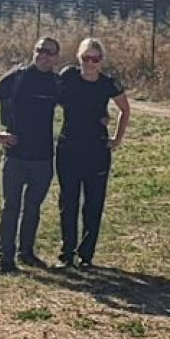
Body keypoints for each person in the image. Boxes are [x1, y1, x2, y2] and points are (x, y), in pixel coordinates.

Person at [0, 36, 66, 273]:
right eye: (40, 50)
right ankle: (5, 259)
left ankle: (26, 253)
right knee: (11, 207)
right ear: (33, 51)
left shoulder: (56, 83)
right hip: (16, 156)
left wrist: (101, 117)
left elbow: (78, 106)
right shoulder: (17, 77)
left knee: (33, 207)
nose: (44, 55)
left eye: (50, 52)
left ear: (56, 58)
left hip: (43, 157)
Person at [53, 37, 130, 269]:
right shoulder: (68, 76)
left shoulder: (108, 83)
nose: (90, 63)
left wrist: (116, 138)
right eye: (86, 57)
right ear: (79, 57)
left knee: (94, 203)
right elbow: (51, 98)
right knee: (68, 201)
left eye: (95, 59)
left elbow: (125, 109)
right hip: (68, 147)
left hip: (97, 149)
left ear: (101, 60)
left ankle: (86, 256)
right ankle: (67, 254)